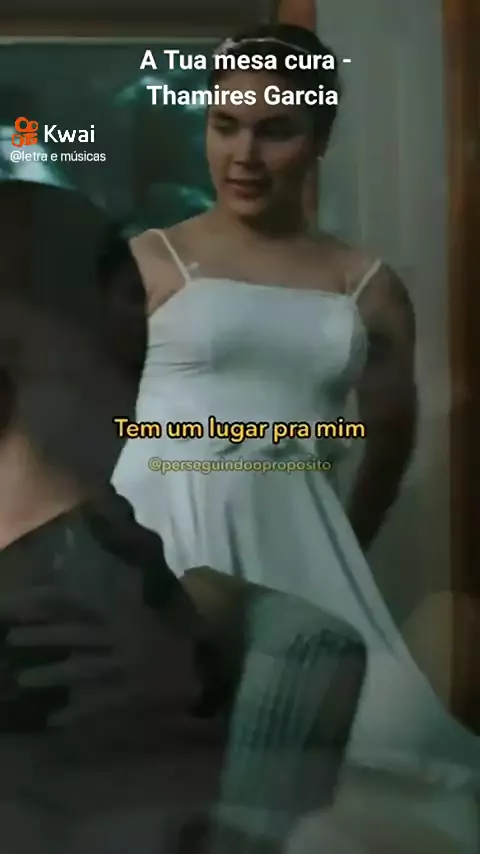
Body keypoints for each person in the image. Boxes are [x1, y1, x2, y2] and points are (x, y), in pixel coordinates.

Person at [111, 22, 480, 851]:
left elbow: (390, 441)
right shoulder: (148, 261)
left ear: (319, 139)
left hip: (300, 543)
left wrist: (340, 542)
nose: (244, 154)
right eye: (225, 125)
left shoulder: (371, 289)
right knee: (155, 767)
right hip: (160, 528)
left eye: (275, 130)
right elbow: (84, 414)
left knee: (362, 765)